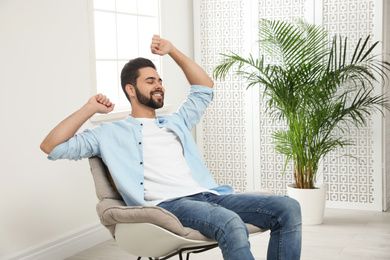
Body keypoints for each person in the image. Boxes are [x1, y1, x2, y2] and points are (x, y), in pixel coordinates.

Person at [40, 35, 302, 260]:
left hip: (208, 196)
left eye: (160, 80)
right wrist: (89, 109)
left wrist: (172, 50)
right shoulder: (109, 133)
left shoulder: (175, 122)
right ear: (131, 89)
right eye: (150, 81)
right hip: (168, 206)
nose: (159, 85)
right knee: (229, 221)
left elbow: (204, 88)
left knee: (288, 207)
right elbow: (52, 146)